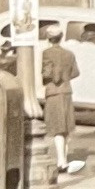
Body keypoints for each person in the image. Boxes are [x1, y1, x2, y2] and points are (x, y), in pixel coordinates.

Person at [40, 23, 85, 176]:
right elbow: (76, 72)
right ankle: (63, 158)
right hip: (67, 92)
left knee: (57, 128)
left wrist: (48, 77)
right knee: (65, 128)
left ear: (48, 38)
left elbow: (47, 74)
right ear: (61, 37)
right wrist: (66, 77)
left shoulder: (47, 53)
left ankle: (61, 162)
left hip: (53, 92)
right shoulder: (69, 54)